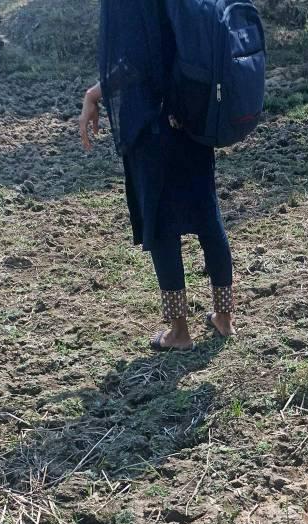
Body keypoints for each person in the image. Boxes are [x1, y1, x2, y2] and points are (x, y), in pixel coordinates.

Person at [79, 0, 236, 350]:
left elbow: (135, 62)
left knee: (162, 224)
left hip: (152, 125)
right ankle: (224, 317)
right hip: (192, 115)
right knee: (207, 215)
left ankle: (179, 332)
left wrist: (94, 93)